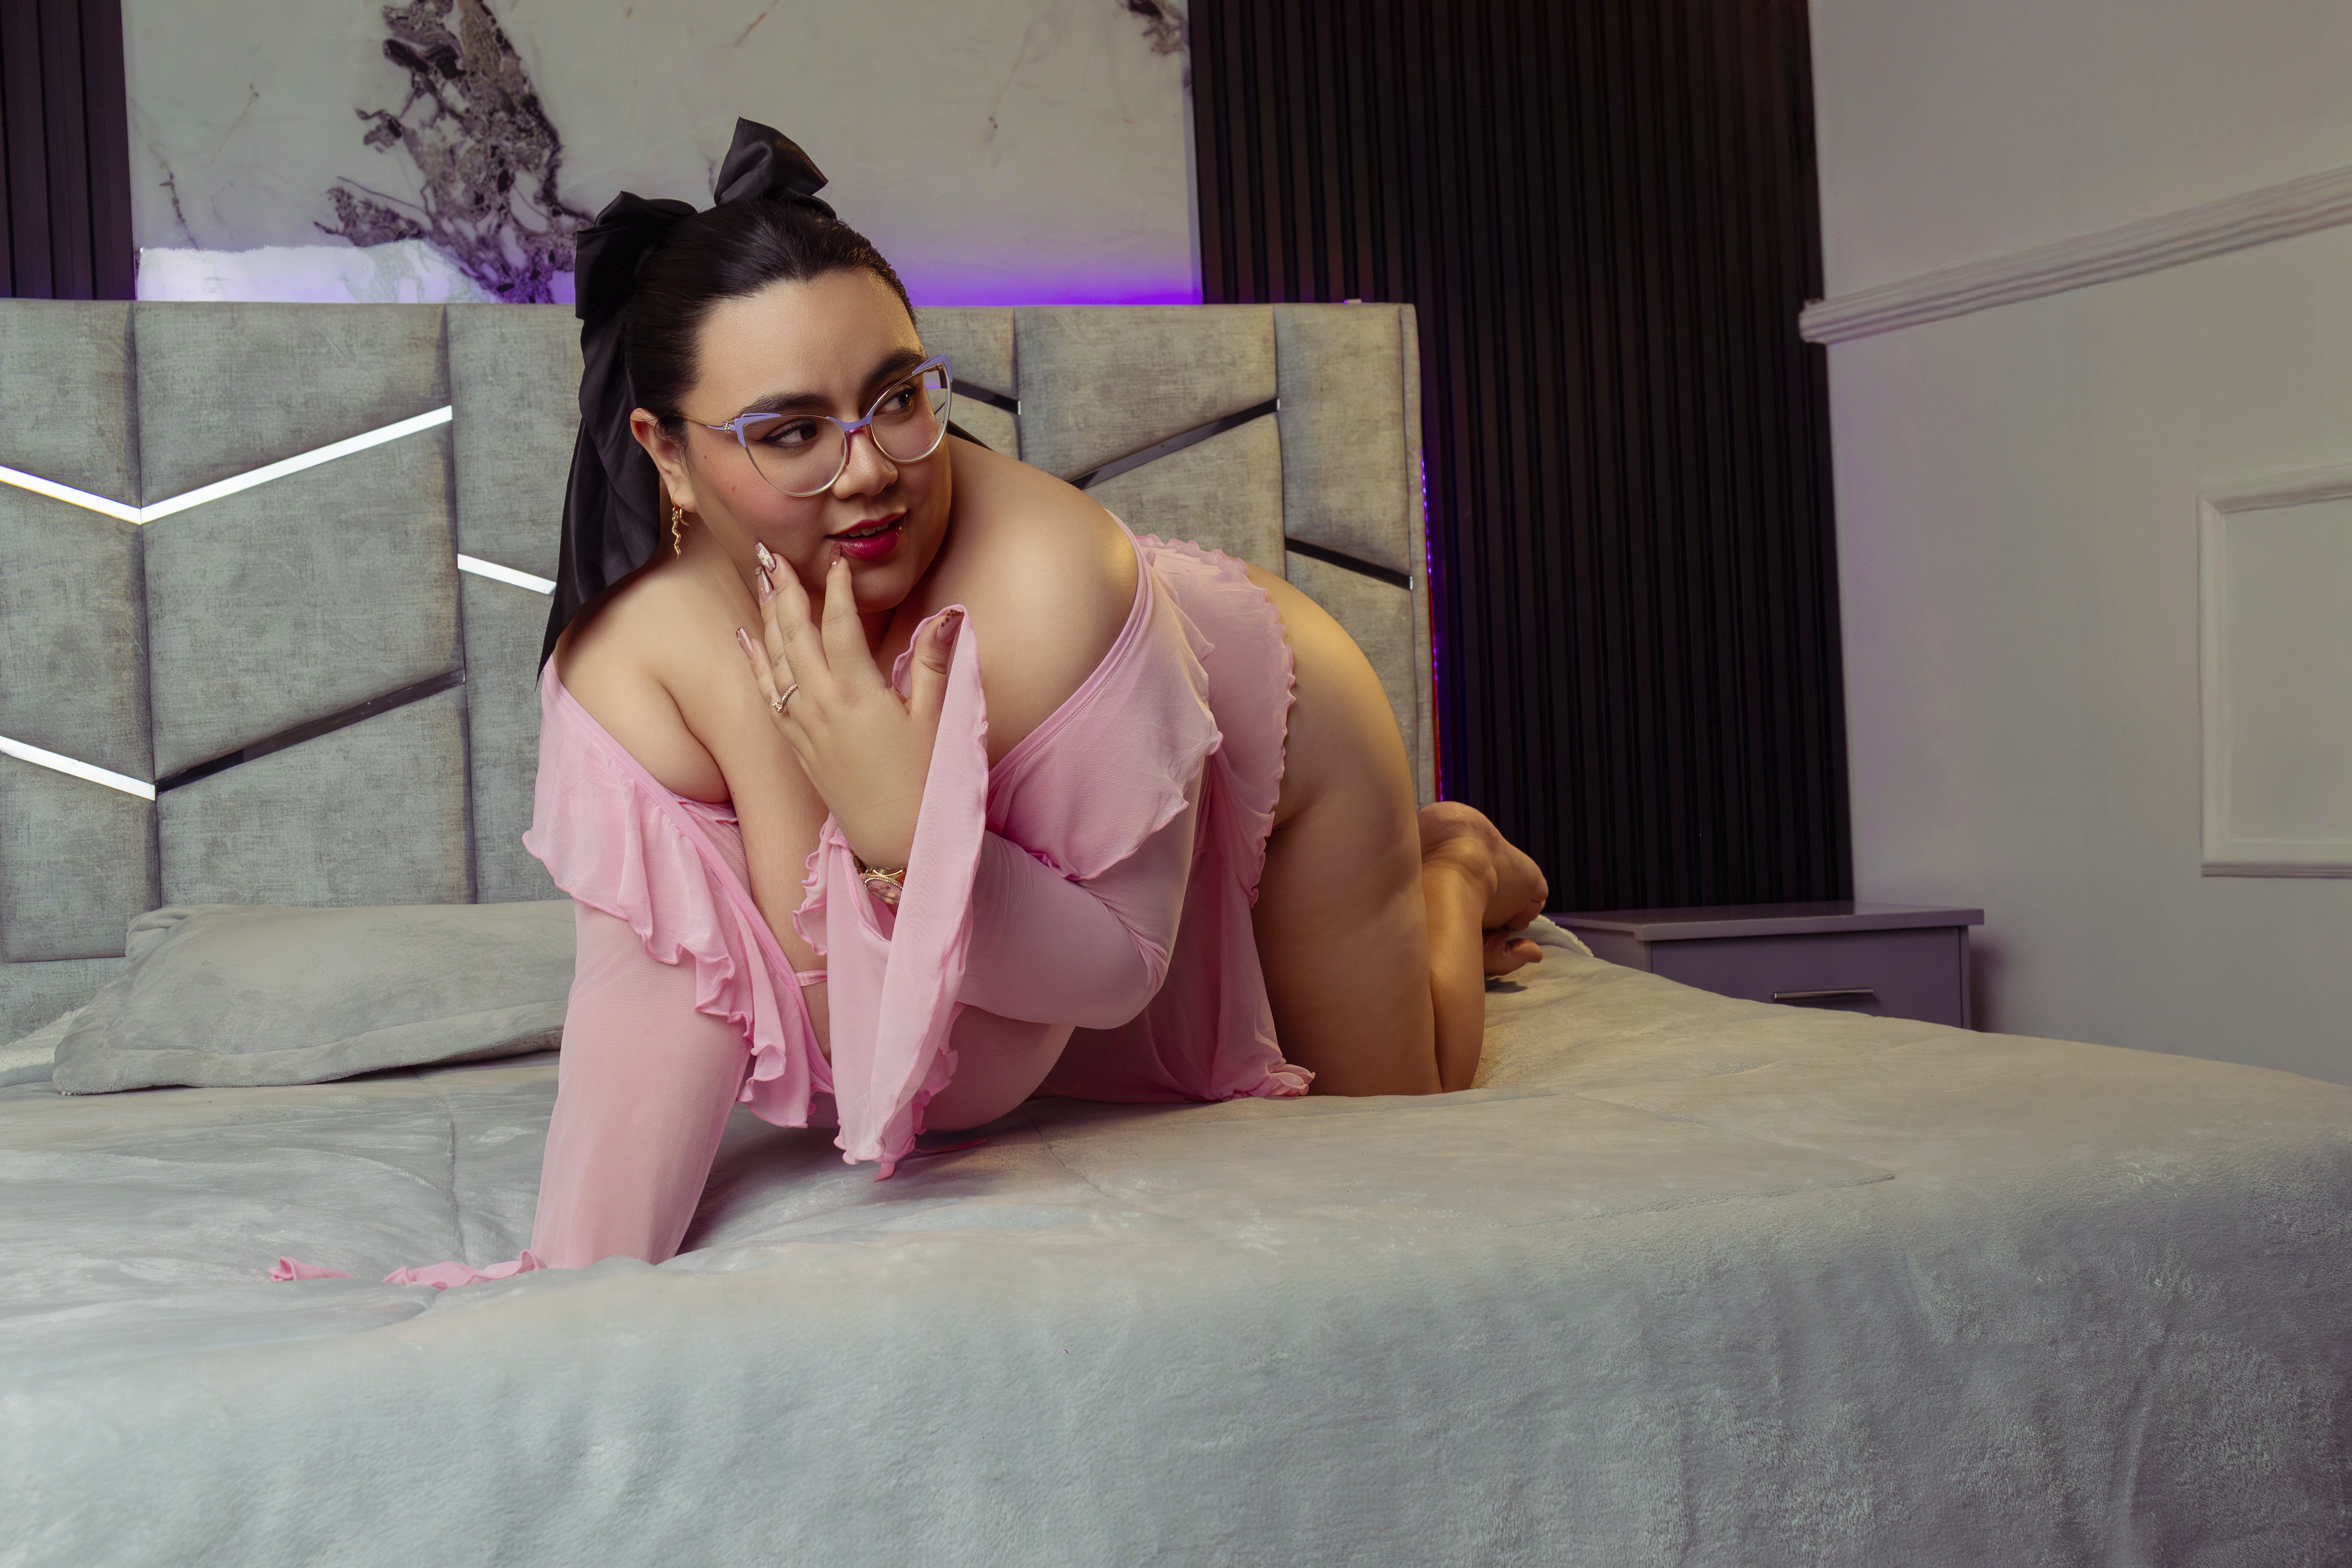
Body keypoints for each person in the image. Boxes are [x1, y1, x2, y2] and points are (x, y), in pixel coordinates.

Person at [394, 120, 1545, 1287]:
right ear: (668, 454)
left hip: (1266, 744)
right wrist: (572, 1283)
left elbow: (1118, 967)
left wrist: (905, 835)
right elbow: (661, 972)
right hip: (1039, 915)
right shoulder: (638, 654)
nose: (869, 472)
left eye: (896, 398)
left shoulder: (1050, 580)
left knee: (1394, 1101)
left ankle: (1452, 866)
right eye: (790, 433)